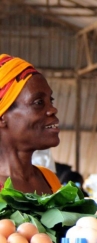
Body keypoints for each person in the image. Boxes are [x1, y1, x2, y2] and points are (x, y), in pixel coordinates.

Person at [0, 54, 61, 194]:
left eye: (50, 101)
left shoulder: (49, 179)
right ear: (2, 117)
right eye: (38, 102)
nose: (52, 109)